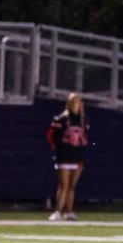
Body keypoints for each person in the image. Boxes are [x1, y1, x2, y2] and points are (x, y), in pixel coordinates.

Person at [46, 92, 89, 221]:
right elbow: (51, 135)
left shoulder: (83, 120)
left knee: (72, 186)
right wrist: (58, 147)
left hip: (77, 156)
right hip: (64, 156)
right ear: (69, 103)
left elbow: (85, 137)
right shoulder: (62, 118)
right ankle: (58, 211)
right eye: (73, 101)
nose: (76, 103)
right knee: (63, 184)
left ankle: (69, 211)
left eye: (78, 101)